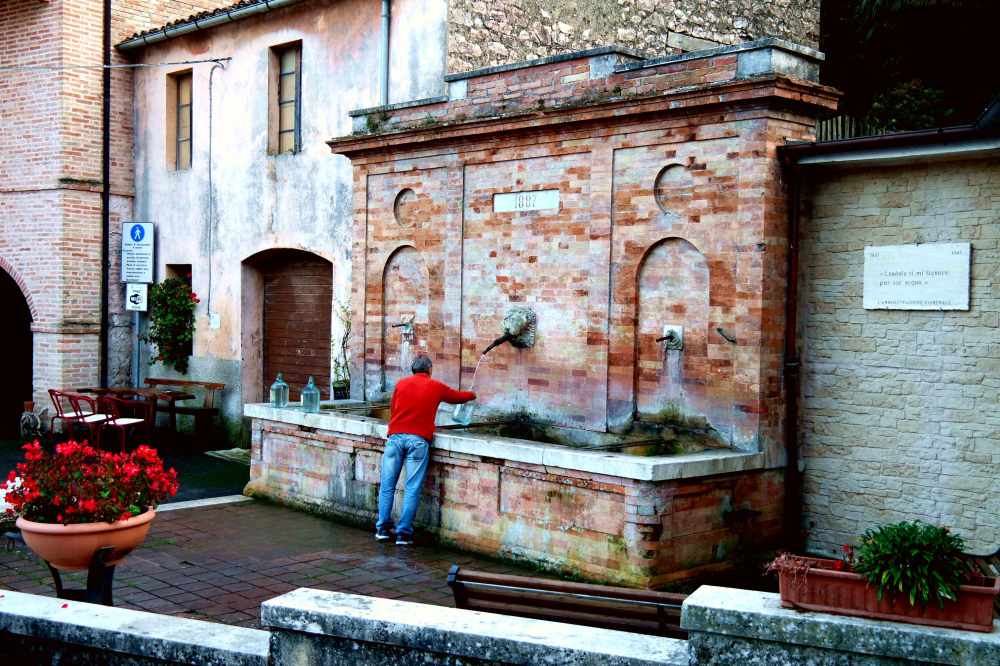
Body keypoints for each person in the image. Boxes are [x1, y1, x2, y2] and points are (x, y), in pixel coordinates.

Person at [376, 355, 475, 546]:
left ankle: (382, 530)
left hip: (395, 438)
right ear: (429, 370)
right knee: (412, 488)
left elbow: (393, 409)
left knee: (387, 486)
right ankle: (403, 534)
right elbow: (457, 397)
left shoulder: (400, 384)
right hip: (418, 441)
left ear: (413, 369)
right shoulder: (435, 386)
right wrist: (473, 395)